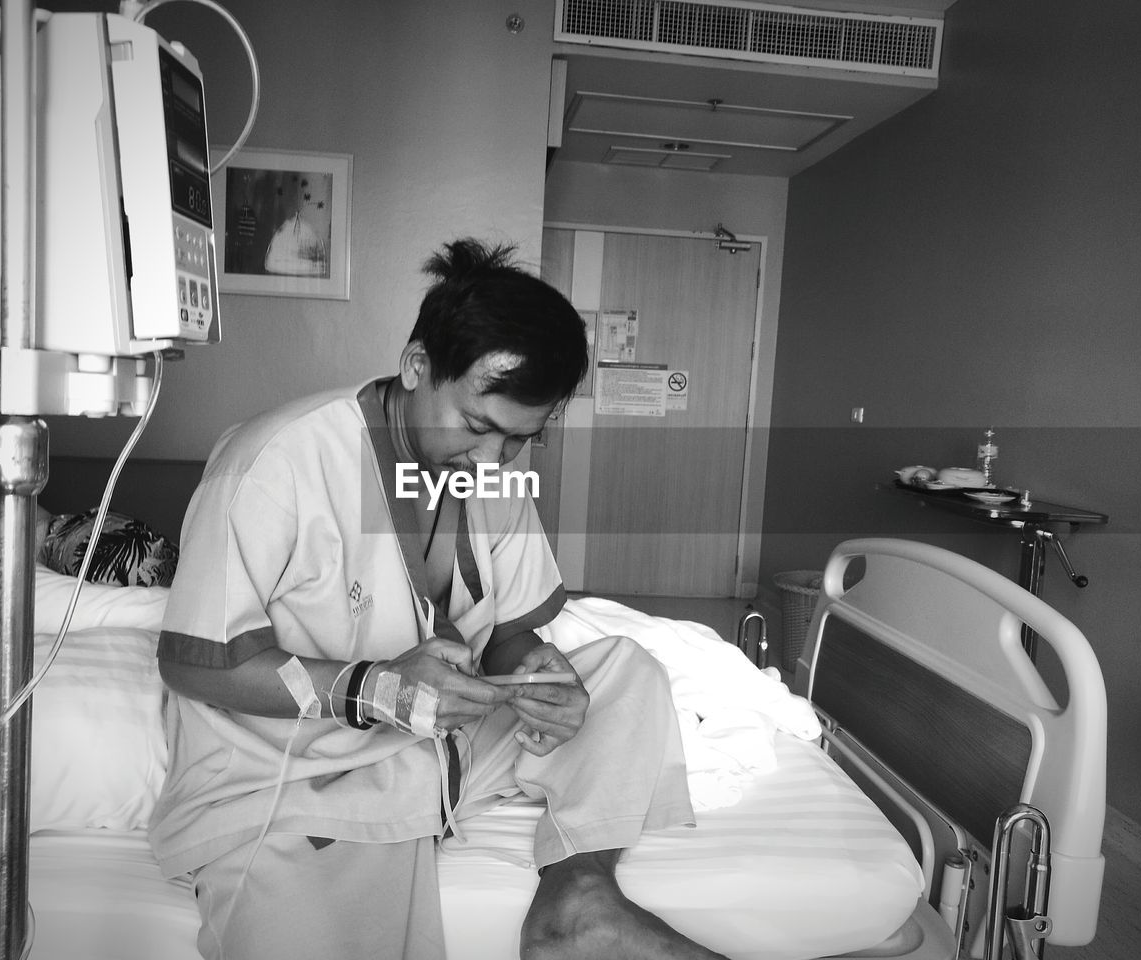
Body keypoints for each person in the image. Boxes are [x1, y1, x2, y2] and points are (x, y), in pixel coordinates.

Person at [149, 238, 729, 960]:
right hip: (300, 771)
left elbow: (511, 630)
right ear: (418, 366)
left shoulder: (491, 474)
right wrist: (372, 689)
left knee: (624, 676)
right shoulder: (276, 463)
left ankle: (579, 896)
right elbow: (195, 663)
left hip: (446, 737)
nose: (492, 463)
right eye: (479, 427)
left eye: (520, 441)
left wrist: (544, 674)